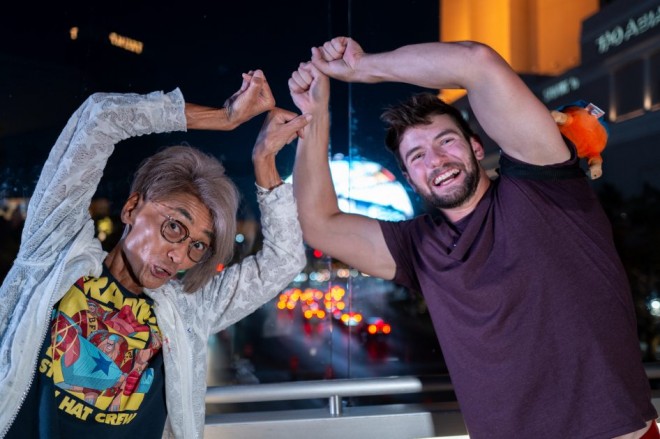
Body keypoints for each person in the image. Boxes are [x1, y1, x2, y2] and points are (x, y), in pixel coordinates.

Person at [288, 36, 658, 438]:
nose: (436, 160)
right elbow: (319, 223)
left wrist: (361, 68)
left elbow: (476, 63)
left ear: (477, 147)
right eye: (417, 156)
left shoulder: (543, 184)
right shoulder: (418, 247)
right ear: (410, 180)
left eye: (446, 140)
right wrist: (314, 116)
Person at [0, 69, 308, 438]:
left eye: (198, 246)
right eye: (174, 227)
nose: (180, 255)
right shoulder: (54, 252)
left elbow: (284, 259)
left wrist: (265, 160)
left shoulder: (188, 310)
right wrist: (225, 118)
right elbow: (101, 118)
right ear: (131, 208)